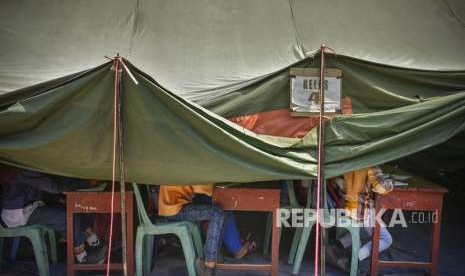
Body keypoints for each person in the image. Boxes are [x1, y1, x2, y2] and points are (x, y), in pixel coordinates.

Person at [0, 166, 107, 264]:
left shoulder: (23, 166)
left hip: (28, 207)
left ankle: (95, 243)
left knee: (70, 208)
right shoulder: (22, 169)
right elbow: (53, 186)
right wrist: (87, 183)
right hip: (18, 214)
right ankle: (82, 259)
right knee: (66, 217)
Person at [158, 184, 252, 276]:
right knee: (217, 213)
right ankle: (208, 266)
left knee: (223, 209)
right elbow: (205, 187)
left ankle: (216, 253)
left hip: (172, 206)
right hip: (175, 210)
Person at [327, 166, 394, 272]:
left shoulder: (344, 163)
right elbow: (382, 189)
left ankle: (337, 247)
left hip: (340, 208)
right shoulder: (368, 166)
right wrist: (389, 182)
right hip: (358, 211)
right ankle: (353, 259)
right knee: (386, 239)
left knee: (364, 230)